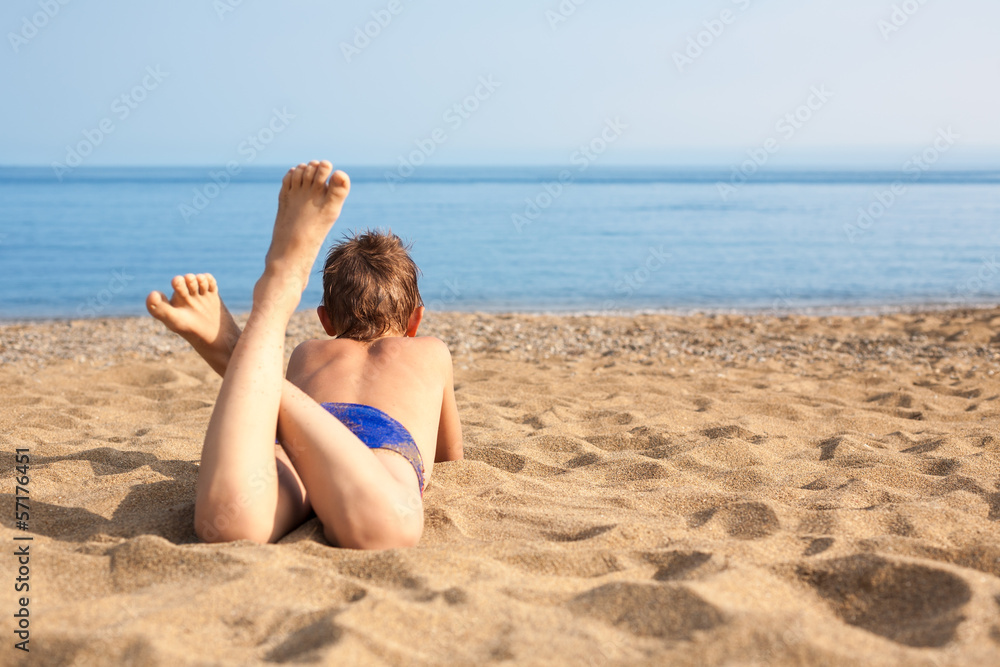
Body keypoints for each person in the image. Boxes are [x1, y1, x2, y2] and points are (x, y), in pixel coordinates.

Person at [146, 161, 463, 549]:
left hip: (303, 445)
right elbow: (449, 455)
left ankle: (246, 337)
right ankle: (251, 325)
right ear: (416, 320)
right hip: (382, 446)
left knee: (231, 523)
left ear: (325, 320)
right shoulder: (431, 350)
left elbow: (267, 417)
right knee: (384, 527)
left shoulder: (307, 352)